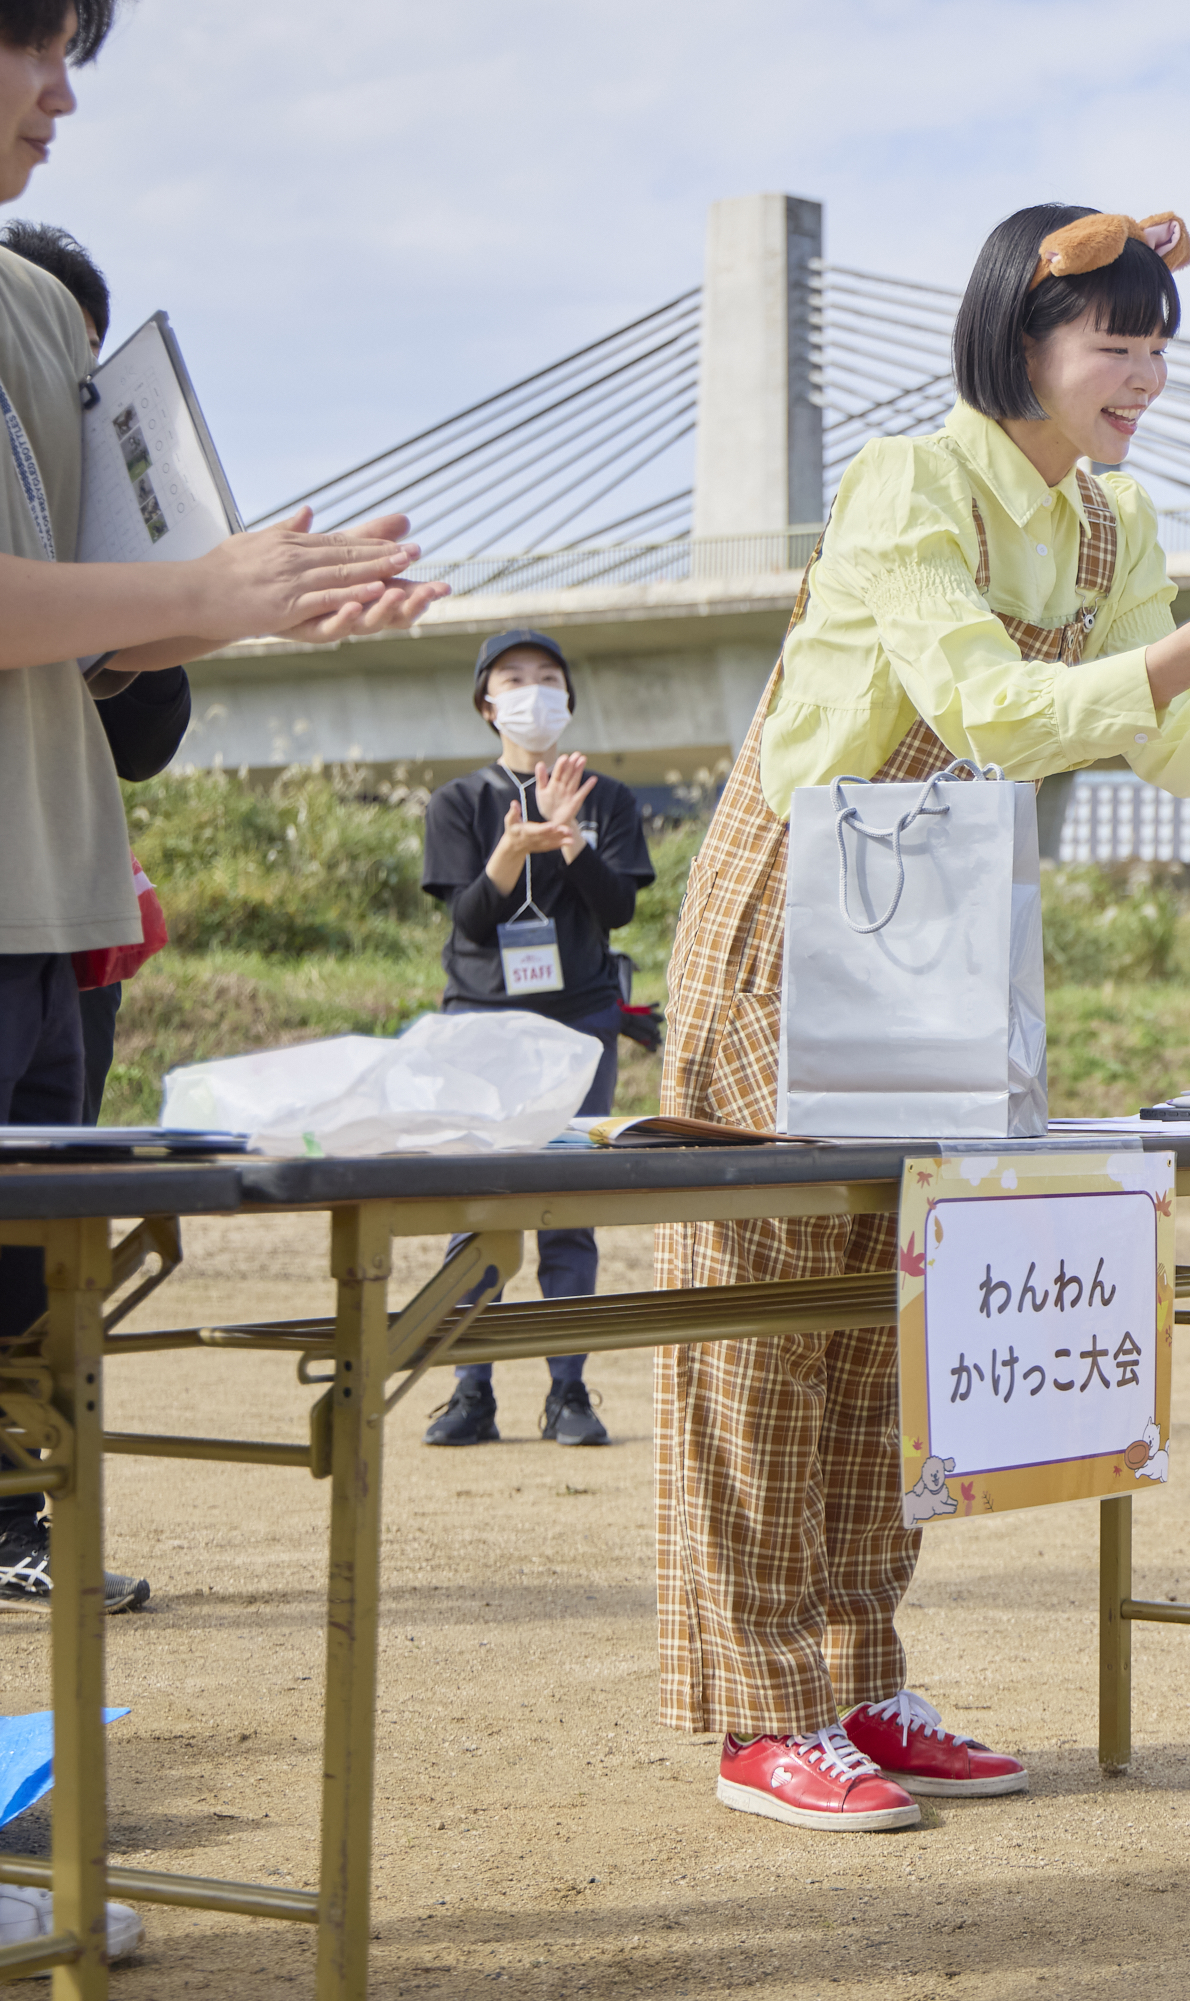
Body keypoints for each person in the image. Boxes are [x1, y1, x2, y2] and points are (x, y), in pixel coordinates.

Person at [654, 203, 1190, 1835]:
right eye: (1117, 343)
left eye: (1161, 349)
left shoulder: (1109, 528)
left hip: (932, 919)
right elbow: (988, 711)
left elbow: (1175, 749)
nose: (1146, 377)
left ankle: (860, 1678)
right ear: (1024, 334)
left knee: (889, 1318)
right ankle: (760, 1712)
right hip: (791, 904)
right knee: (760, 1323)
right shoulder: (907, 483)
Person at [0, 0, 442, 1623]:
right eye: (30, 48)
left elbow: (99, 630)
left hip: (50, 909)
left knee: (30, 1336)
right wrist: (208, 581)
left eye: (72, 56)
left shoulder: (29, 310)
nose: (60, 96)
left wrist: (259, 605)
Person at [418, 628, 652, 1448]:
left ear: (568, 697)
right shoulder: (459, 803)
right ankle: (469, 1390)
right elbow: (473, 920)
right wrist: (514, 849)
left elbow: (618, 909)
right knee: (477, 1204)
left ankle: (568, 1391)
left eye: (547, 678)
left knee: (568, 1205)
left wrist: (569, 835)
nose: (532, 691)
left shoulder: (608, 797)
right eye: (513, 679)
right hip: (482, 1019)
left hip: (582, 1020)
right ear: (488, 704)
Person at [4, 216, 191, 1120]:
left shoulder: (75, 515)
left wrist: (180, 596)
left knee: (51, 1228)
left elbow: (146, 739)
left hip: (63, 927)